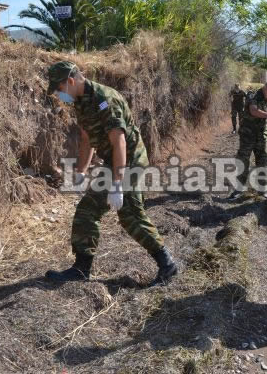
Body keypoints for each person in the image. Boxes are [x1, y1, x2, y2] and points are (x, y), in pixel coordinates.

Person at [44, 61, 178, 287]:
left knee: (130, 215)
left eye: (58, 89)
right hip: (113, 161)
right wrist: (80, 173)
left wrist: (116, 184)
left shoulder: (106, 100)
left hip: (130, 161)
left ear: (70, 81)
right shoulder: (80, 102)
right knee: (88, 209)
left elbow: (120, 144)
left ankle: (168, 265)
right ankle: (81, 268)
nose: (59, 95)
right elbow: (87, 139)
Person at [230, 76, 267, 198]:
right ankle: (239, 189)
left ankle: (262, 191)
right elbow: (253, 111)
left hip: (261, 134)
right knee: (243, 160)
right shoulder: (253, 95)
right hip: (248, 133)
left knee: (263, 161)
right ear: (266, 87)